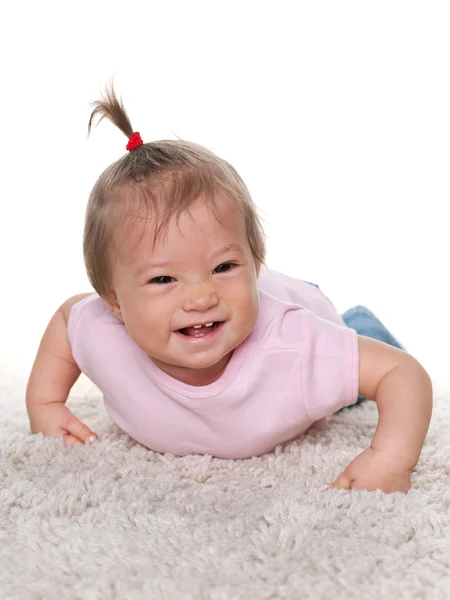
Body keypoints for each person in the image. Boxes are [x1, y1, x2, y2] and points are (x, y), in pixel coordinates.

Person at [26, 83, 433, 493]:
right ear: (113, 301)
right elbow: (67, 320)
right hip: (257, 295)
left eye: (224, 266)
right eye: (164, 279)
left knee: (358, 366)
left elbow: (403, 373)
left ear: (253, 264)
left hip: (302, 306)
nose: (201, 298)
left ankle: (358, 321)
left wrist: (389, 459)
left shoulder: (297, 349)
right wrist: (45, 404)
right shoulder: (101, 330)